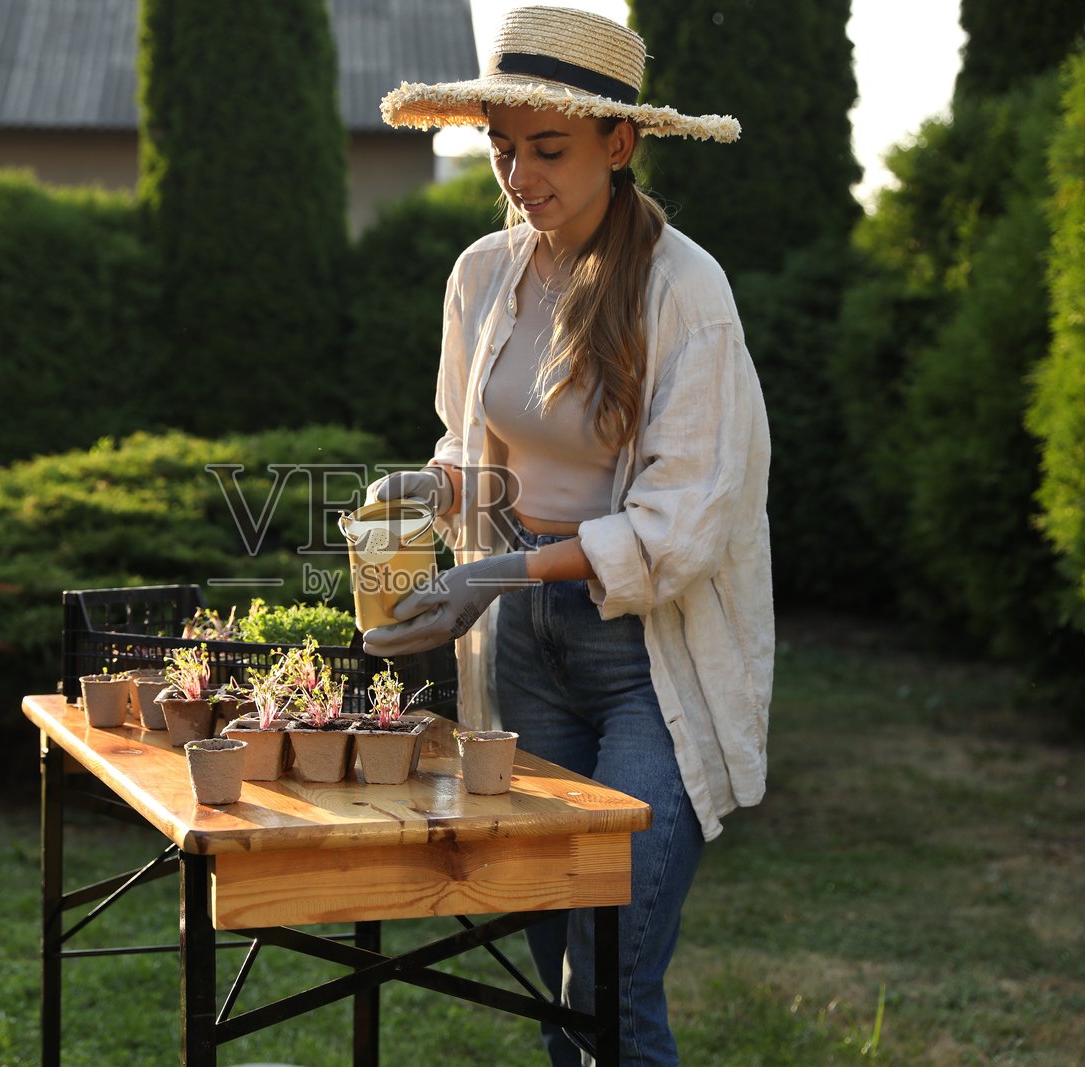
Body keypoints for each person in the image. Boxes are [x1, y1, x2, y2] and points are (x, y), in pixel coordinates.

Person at [361, 7, 774, 1065]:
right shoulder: (480, 274)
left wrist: (501, 568)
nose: (519, 175)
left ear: (618, 143)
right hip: (524, 649)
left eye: (548, 148)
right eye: (502, 147)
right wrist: (434, 484)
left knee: (612, 973)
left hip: (646, 656)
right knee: (554, 973)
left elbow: (683, 525)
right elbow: (478, 450)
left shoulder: (686, 291)